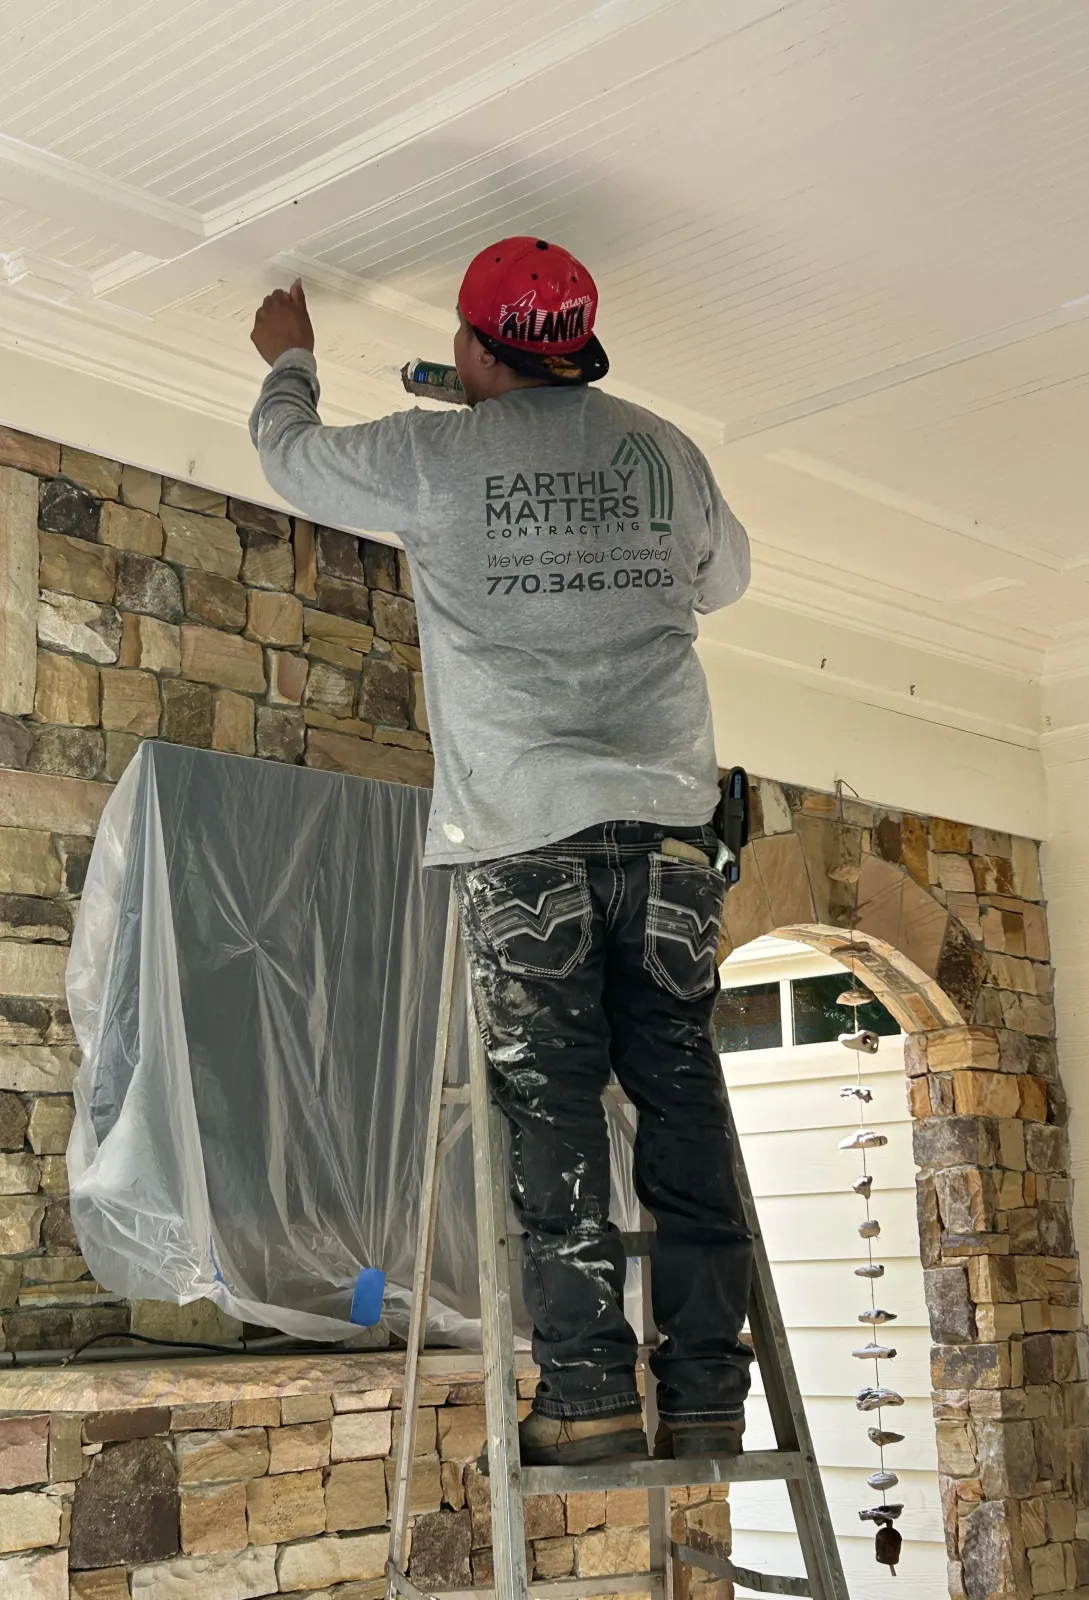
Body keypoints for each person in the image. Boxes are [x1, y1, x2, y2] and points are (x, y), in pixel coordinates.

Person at [249, 237, 753, 1466]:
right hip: (675, 833)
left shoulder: (435, 457)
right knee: (681, 1104)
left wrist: (291, 359)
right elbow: (726, 580)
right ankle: (701, 1398)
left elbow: (292, 457)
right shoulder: (661, 452)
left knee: (554, 1107)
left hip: (528, 836)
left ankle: (586, 1395)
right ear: (581, 349)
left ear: (473, 350)